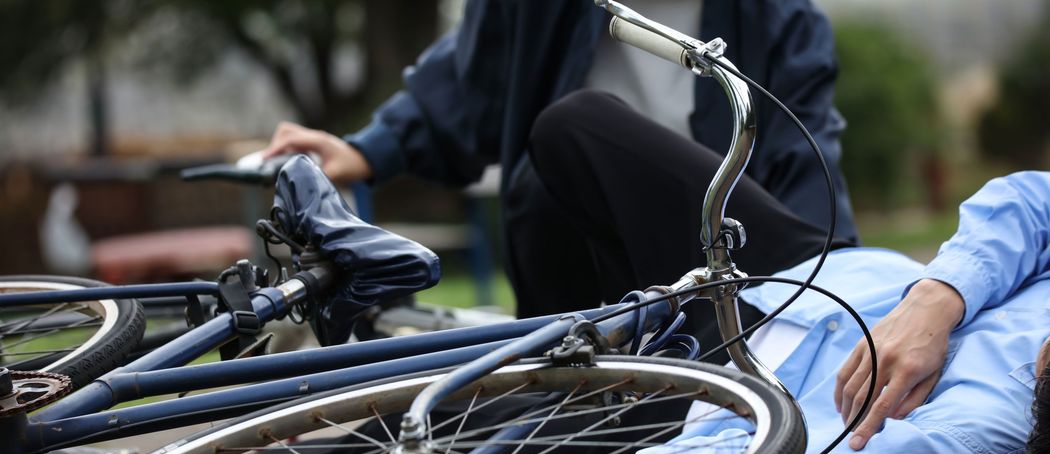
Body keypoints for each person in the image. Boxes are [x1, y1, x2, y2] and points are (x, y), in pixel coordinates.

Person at [156, 93, 1047, 454]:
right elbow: (1032, 201)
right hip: (810, 271)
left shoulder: (980, 439)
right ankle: (512, 329)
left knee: (466, 432)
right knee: (576, 130)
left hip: (725, 390)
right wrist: (939, 297)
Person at [260, 0, 859, 327]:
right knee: (520, 412)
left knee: (574, 122)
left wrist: (840, 301)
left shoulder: (781, 20)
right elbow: (473, 79)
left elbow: (808, 159)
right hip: (575, 257)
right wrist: (369, 149)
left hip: (718, 258)